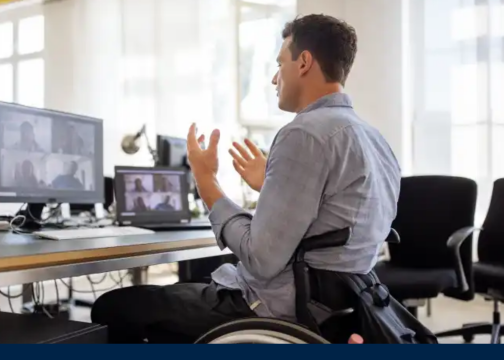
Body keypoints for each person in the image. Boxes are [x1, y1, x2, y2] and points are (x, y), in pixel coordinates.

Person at [91, 14, 400, 344]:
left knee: (113, 307)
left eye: (281, 63)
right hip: (336, 310)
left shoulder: (304, 134)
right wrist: (270, 186)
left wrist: (206, 179)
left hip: (271, 309)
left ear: (304, 62)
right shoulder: (375, 139)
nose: (274, 78)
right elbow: (333, 229)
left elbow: (261, 258)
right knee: (192, 281)